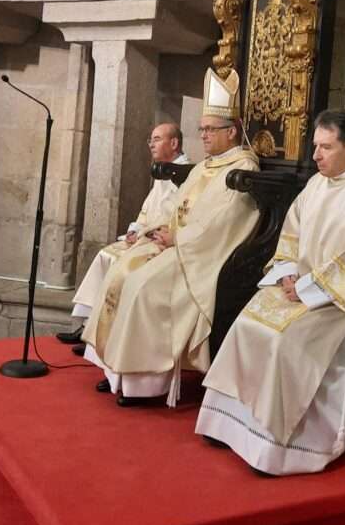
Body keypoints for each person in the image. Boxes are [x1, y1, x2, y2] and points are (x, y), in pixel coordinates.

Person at [195, 109, 345, 475]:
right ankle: (229, 423)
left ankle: (276, 443)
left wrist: (309, 288)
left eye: (325, 147)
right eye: (315, 146)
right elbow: (290, 237)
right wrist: (288, 276)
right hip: (304, 288)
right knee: (248, 323)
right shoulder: (315, 186)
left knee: (281, 340)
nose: (315, 156)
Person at [82, 69, 260, 405]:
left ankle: (143, 384)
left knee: (140, 288)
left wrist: (179, 239)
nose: (204, 136)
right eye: (202, 129)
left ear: (232, 131)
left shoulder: (243, 170)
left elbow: (224, 223)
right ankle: (115, 371)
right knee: (121, 270)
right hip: (179, 246)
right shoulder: (207, 166)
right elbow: (177, 207)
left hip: (203, 258)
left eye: (210, 129)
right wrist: (160, 230)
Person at [56, 123, 188, 348]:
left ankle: (103, 337)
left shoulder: (183, 173)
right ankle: (88, 327)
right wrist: (134, 230)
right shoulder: (163, 169)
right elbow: (148, 210)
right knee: (104, 255)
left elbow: (172, 216)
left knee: (119, 263)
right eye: (151, 140)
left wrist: (143, 233)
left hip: (161, 242)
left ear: (174, 143)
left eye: (156, 139)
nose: (151, 145)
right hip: (145, 236)